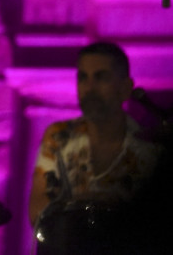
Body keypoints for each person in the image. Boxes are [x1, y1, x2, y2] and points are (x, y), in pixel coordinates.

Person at [29, 41, 165, 253]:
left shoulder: (150, 147)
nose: (89, 87)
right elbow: (37, 211)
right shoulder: (58, 137)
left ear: (126, 88)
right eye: (83, 78)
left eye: (101, 77)